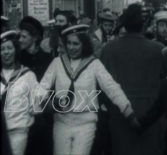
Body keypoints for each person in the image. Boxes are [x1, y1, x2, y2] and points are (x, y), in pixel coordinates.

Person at [37, 24, 137, 155]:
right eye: (69, 43)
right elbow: (42, 87)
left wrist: (128, 112)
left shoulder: (94, 64)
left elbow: (111, 88)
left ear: (84, 44)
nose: (71, 47)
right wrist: (45, 102)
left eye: (76, 44)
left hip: (86, 122)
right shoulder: (57, 62)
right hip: (62, 122)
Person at [100, 3, 166, 155]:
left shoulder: (109, 49)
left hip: (119, 113)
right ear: (143, 25)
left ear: (124, 25)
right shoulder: (158, 49)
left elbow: (101, 85)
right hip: (151, 112)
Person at [18, 16, 53, 155]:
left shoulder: (48, 60)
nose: (19, 40)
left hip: (44, 121)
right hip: (22, 119)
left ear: (35, 38)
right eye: (19, 36)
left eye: (23, 36)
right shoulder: (18, 59)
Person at [1, 30, 40, 155]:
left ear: (16, 50)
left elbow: (35, 107)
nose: (6, 52)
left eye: (9, 48)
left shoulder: (28, 75)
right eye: (2, 49)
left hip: (17, 133)